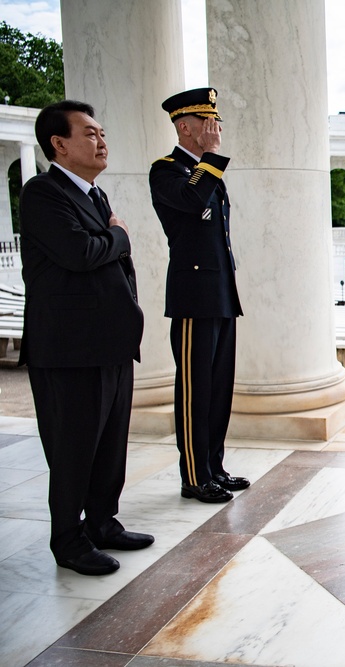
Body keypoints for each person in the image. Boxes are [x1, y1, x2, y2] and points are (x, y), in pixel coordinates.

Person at [19, 100, 151, 576]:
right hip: (70, 348)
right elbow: (80, 253)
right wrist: (120, 237)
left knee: (111, 442)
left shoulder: (94, 195)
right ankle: (68, 540)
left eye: (102, 133)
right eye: (91, 133)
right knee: (74, 447)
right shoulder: (43, 192)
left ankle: (102, 522)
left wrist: (111, 240)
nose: (102, 142)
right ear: (59, 143)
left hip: (110, 342)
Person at [149, 87, 248, 504]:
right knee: (195, 388)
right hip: (193, 295)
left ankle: (214, 467)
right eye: (209, 123)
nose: (217, 129)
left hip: (221, 290)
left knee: (219, 387)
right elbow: (191, 201)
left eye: (217, 122)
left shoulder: (207, 171)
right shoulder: (167, 170)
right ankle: (194, 475)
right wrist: (209, 157)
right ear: (185, 127)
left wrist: (209, 162)